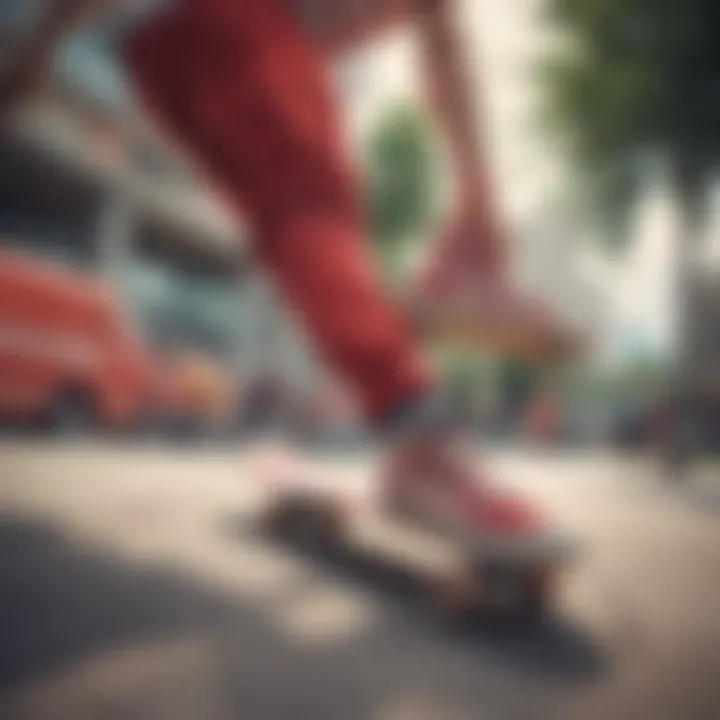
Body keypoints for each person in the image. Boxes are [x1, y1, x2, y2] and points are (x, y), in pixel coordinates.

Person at [0, 0, 568, 531]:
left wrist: (41, 45)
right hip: (220, 23)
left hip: (156, 61)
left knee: (291, 211)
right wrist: (479, 200)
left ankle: (401, 357)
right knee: (306, 200)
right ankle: (420, 436)